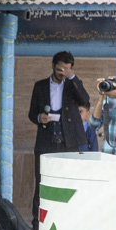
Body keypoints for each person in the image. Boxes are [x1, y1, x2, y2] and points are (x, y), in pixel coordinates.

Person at [28, 51, 90, 221]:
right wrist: (39, 118)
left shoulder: (72, 84)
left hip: (68, 141)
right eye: (60, 69)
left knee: (69, 183)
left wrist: (72, 77)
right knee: (42, 183)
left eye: (66, 70)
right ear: (53, 66)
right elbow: (32, 113)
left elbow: (84, 99)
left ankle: (68, 221)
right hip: (47, 140)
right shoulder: (40, 86)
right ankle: (38, 226)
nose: (62, 73)